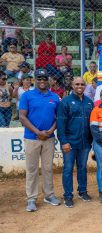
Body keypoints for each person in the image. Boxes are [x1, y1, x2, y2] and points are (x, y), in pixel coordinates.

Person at [19, 68, 61, 212]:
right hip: (32, 138)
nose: (42, 81)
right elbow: (22, 117)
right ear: (34, 80)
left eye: (44, 79)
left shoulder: (54, 97)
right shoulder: (27, 96)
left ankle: (49, 195)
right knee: (32, 169)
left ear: (48, 80)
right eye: (39, 79)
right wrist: (37, 132)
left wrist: (50, 131)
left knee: (48, 168)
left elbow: (58, 118)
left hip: (49, 138)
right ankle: (31, 199)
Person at [56, 77, 94, 208]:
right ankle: (68, 195)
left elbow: (92, 124)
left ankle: (82, 191)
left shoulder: (89, 102)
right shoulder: (65, 102)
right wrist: (64, 142)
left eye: (82, 84)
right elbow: (60, 124)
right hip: (70, 143)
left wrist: (92, 141)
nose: (80, 86)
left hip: (85, 143)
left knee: (83, 168)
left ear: (85, 86)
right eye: (77, 84)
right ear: (72, 85)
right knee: (68, 169)